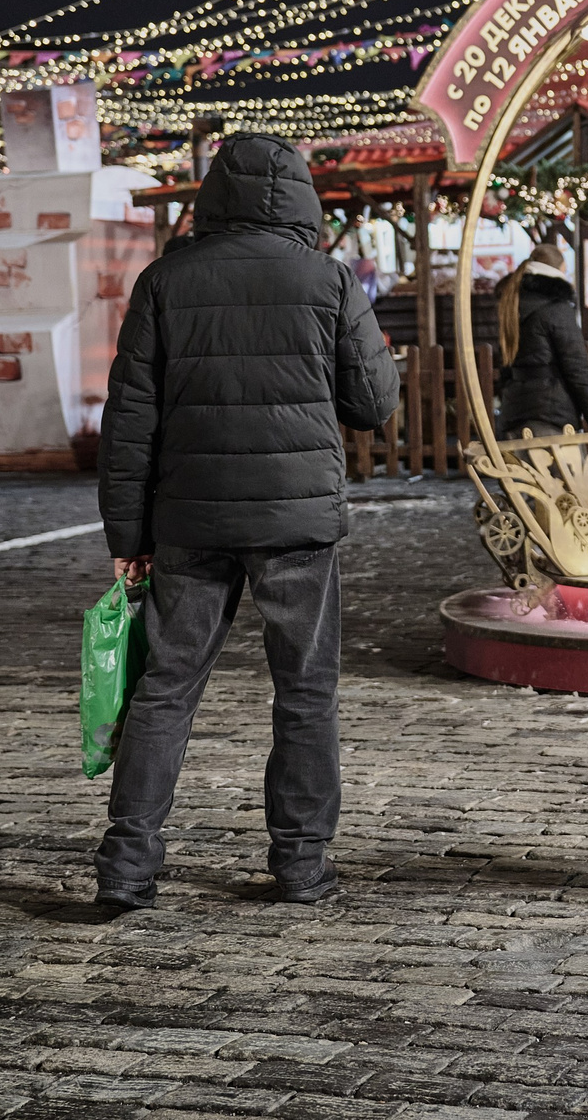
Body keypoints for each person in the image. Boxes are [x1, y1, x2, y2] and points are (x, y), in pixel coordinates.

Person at [94, 134, 400, 912]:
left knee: (164, 687)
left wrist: (128, 538)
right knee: (306, 689)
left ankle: (128, 861)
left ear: (213, 194)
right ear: (301, 194)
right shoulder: (328, 280)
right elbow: (375, 403)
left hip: (189, 514)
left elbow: (128, 423)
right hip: (297, 514)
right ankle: (301, 863)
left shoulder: (164, 281)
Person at [495, 240, 588, 437]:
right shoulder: (557, 308)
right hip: (551, 417)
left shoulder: (510, 303)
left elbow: (505, 365)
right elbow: (577, 371)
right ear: (559, 269)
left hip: (513, 414)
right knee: (566, 469)